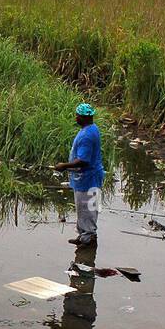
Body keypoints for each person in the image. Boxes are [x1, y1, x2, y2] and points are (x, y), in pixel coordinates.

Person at [53, 103, 105, 246]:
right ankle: (83, 236)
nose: (76, 118)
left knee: (87, 210)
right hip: (87, 178)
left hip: (88, 179)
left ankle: (89, 240)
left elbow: (83, 161)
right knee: (83, 209)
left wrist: (64, 166)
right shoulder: (92, 128)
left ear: (84, 117)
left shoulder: (87, 136)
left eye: (77, 115)